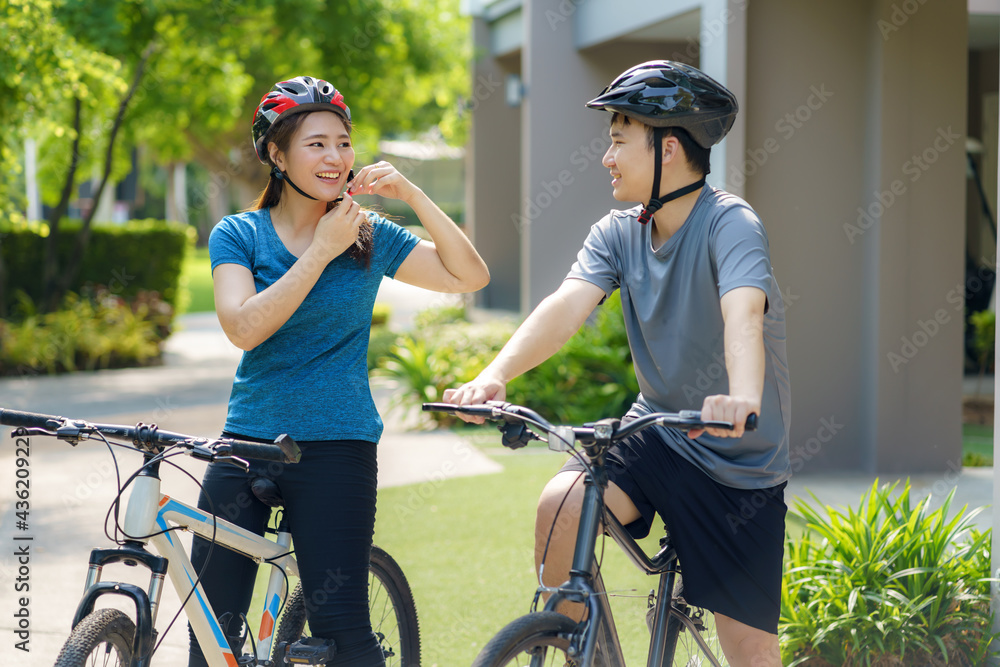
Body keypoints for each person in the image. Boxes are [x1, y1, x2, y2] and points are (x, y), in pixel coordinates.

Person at [445, 61, 790, 667]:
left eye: (618, 139)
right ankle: (584, 653)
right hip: (658, 432)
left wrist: (742, 397)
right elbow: (564, 308)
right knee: (562, 502)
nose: (607, 155)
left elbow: (745, 316)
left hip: (737, 466)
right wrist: (493, 375)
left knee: (753, 656)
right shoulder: (617, 232)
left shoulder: (730, 224)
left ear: (670, 147)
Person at [188, 75, 489, 667]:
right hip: (247, 440)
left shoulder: (368, 234)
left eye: (343, 142)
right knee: (211, 632)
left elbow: (468, 276)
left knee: (343, 631)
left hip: (337, 446)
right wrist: (320, 249)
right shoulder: (239, 234)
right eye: (316, 144)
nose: (335, 157)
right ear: (276, 155)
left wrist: (413, 195)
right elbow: (244, 326)